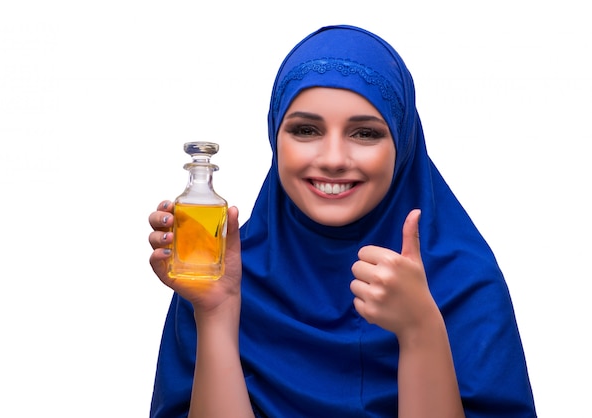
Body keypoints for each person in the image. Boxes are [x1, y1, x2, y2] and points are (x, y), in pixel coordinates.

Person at [147, 25, 536, 417]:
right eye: (306, 130)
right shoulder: (220, 273)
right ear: (274, 137)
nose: (333, 158)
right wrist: (216, 313)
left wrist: (421, 330)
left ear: (402, 145)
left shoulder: (465, 282)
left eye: (365, 133)